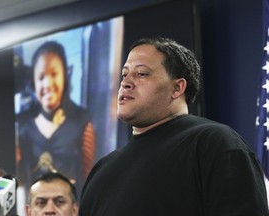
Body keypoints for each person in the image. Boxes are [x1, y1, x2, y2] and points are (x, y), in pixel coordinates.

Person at [79, 37, 269, 216]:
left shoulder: (213, 143)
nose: (126, 83)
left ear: (177, 88)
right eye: (124, 74)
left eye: (142, 74)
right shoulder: (101, 170)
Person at [16, 41, 96, 203]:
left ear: (65, 77)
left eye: (54, 74)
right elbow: (20, 180)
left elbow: (89, 179)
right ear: (33, 81)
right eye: (41, 77)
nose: (47, 84)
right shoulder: (22, 124)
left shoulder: (81, 121)